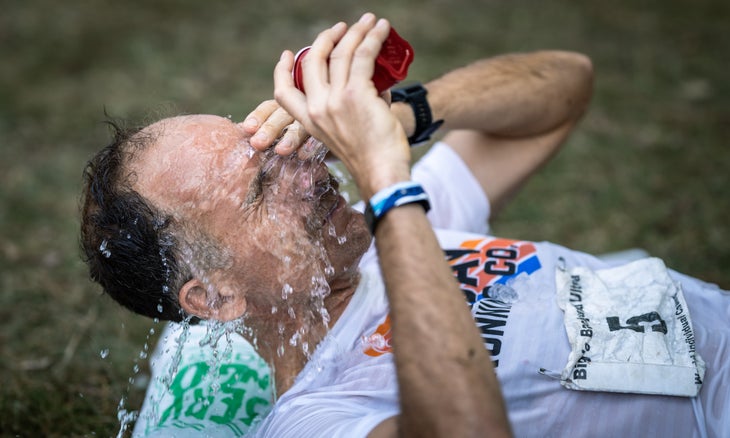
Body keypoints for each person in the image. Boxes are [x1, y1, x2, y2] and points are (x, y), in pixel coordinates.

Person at [80, 13, 728, 437]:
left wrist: (408, 119)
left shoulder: (386, 228)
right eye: (259, 186)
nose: (304, 165)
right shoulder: (314, 419)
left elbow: (567, 87)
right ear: (216, 295)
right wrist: (388, 183)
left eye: (268, 146)